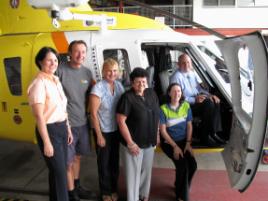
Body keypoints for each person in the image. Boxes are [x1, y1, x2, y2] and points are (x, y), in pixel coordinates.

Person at [27, 47, 73, 201]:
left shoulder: (55, 80)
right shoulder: (39, 83)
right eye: (49, 60)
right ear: (40, 62)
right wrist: (46, 142)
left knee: (57, 171)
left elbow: (61, 108)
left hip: (61, 128)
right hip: (49, 130)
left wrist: (68, 129)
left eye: (55, 60)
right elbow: (39, 116)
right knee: (60, 173)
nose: (53, 63)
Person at [56, 40, 96, 201]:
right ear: (70, 53)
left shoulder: (87, 73)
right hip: (66, 125)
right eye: (77, 51)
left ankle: (77, 186)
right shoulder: (59, 71)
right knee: (68, 161)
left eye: (83, 52)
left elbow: (91, 96)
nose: (80, 55)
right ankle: (71, 194)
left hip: (82, 123)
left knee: (78, 157)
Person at [116, 68, 159, 201]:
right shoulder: (127, 97)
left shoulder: (151, 93)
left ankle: (143, 196)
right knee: (133, 175)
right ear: (132, 83)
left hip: (150, 141)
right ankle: (132, 198)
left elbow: (156, 115)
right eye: (138, 82)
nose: (141, 85)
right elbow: (120, 121)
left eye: (144, 82)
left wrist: (157, 134)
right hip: (134, 144)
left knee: (146, 171)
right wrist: (130, 143)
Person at [170, 53, 224, 147]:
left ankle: (213, 133)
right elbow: (177, 98)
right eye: (183, 63)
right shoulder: (176, 77)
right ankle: (204, 138)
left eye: (188, 62)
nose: (186, 65)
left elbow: (198, 89)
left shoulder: (191, 73)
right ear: (178, 64)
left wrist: (210, 95)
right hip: (184, 105)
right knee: (209, 104)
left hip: (196, 99)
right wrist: (194, 100)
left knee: (216, 101)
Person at [90, 58, 125, 201]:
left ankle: (113, 189)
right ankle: (105, 192)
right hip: (103, 130)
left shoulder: (119, 86)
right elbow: (93, 114)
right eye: (109, 70)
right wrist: (99, 135)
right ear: (104, 72)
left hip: (116, 130)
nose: (112, 73)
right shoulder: (97, 88)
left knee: (114, 162)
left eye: (115, 70)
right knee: (103, 163)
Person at [159, 83, 197, 201]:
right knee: (183, 166)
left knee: (193, 166)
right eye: (174, 91)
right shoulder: (163, 109)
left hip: (184, 142)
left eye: (179, 91)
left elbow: (189, 126)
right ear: (169, 93)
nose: (177, 94)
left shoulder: (186, 106)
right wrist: (175, 146)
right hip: (169, 143)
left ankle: (182, 186)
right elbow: (163, 131)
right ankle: (181, 196)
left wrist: (188, 143)